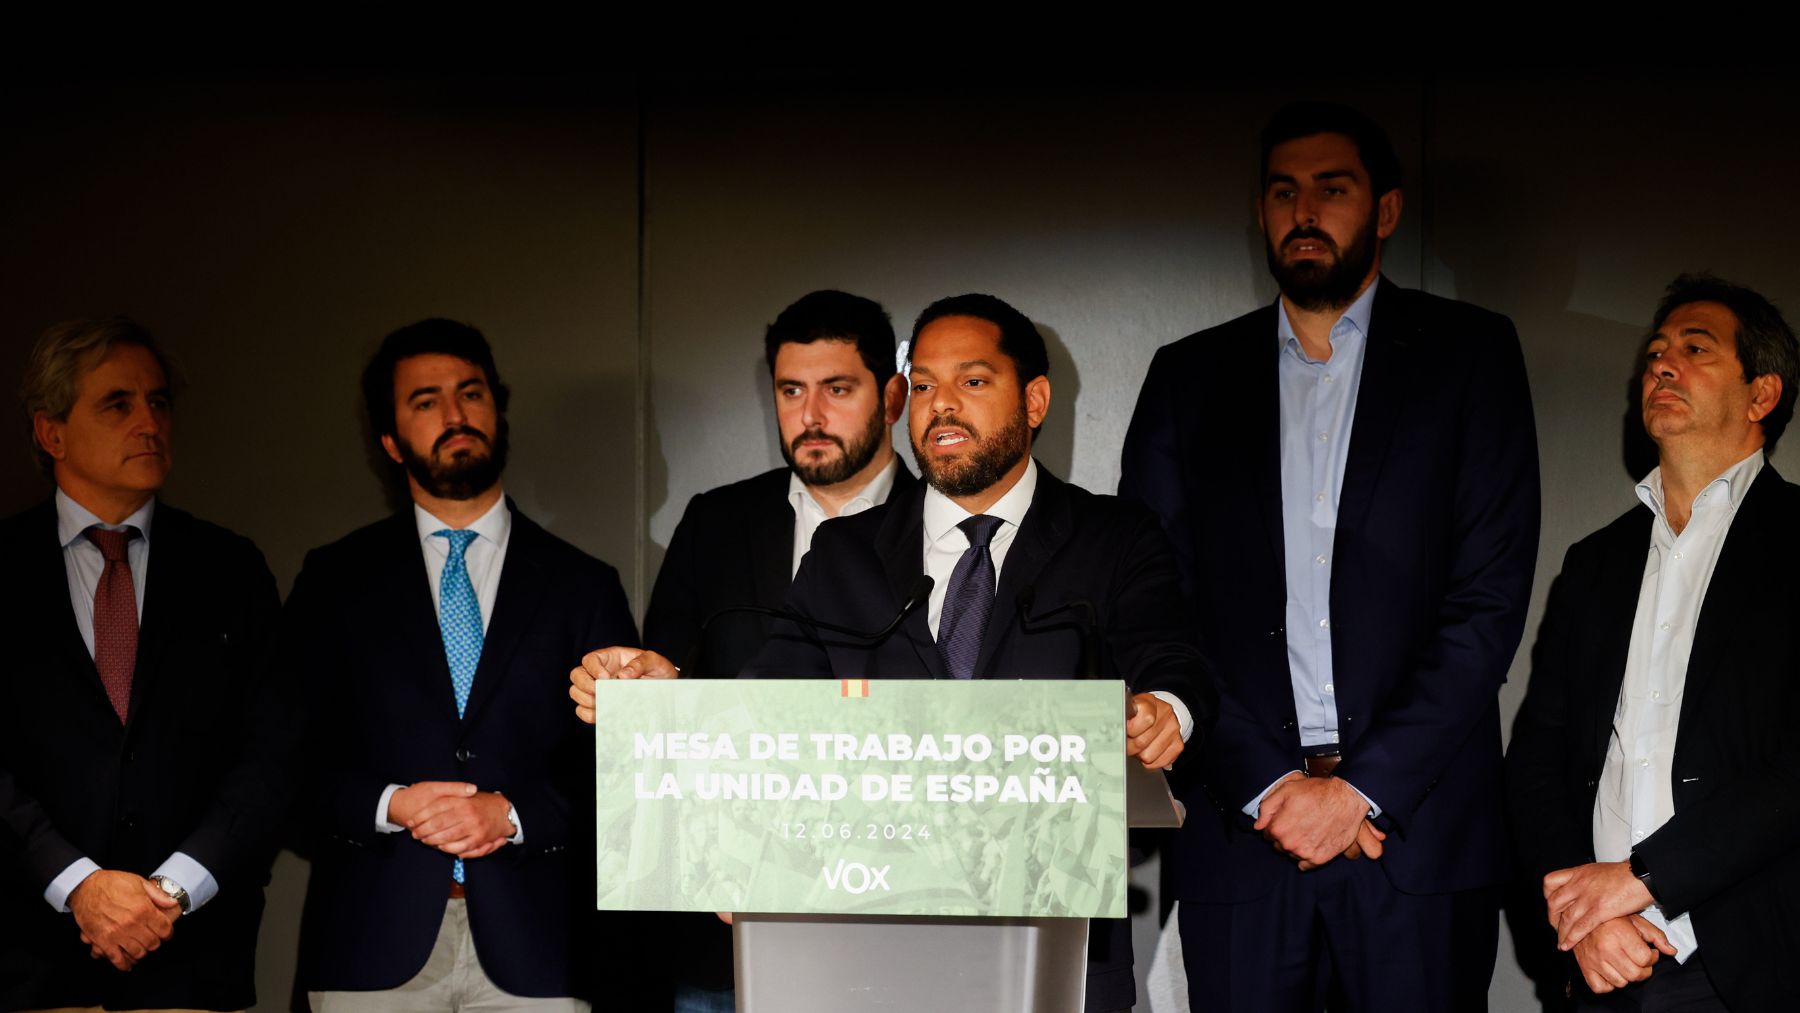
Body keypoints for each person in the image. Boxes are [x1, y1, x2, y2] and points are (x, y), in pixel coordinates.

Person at [574, 293, 1214, 1013]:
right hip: (862, 946)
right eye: (927, 385)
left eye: (972, 382)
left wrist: (1167, 712)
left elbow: (1171, 657)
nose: (942, 405)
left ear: (1034, 399)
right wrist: (678, 696)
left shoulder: (1113, 536)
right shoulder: (846, 551)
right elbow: (775, 703)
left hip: (1051, 946)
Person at [1118, 100, 1540, 1011]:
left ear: (1384, 211)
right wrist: (1270, 787)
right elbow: (1156, 610)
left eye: (1331, 189)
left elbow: (1487, 603)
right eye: (1282, 192)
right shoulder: (1187, 379)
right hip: (1242, 833)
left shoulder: (1472, 358)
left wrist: (1361, 791)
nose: (1303, 211)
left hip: (1414, 835)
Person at [290, 318, 641, 1011]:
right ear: (390, 440)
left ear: (497, 410)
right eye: (426, 401)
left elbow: (622, 768)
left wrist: (511, 814)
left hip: (540, 948)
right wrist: (394, 804)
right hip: (369, 946)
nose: (455, 415)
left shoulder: (582, 584)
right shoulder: (334, 581)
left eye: (470, 393)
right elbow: (287, 764)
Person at [1506, 275, 1800, 1012]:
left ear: (1762, 394)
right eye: (1656, 352)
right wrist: (1580, 912)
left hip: (1746, 965)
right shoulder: (1594, 562)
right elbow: (1538, 759)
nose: (1661, 363)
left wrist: (1642, 876)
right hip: (1600, 963)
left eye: (1694, 349)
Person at [0, 317, 292, 1011]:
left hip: (191, 960)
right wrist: (77, 883)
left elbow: (274, 752)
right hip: (27, 964)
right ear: (52, 433)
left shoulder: (231, 568)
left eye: (158, 402)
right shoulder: (2, 569)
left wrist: (171, 891)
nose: (149, 421)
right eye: (118, 403)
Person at [642, 289, 915, 1010]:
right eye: (791, 391)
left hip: (900, 925)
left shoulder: (948, 528)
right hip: (727, 931)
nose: (811, 415)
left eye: (838, 389)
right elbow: (666, 706)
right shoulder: (716, 523)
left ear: (892, 396)